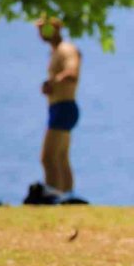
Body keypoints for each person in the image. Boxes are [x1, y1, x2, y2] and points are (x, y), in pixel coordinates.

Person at [36, 17, 82, 201]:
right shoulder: (55, 52)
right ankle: (67, 196)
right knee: (61, 157)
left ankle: (53, 196)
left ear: (55, 29)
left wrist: (52, 81)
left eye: (44, 28)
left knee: (47, 157)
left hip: (64, 107)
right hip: (59, 108)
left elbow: (72, 73)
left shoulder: (66, 50)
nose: (41, 33)